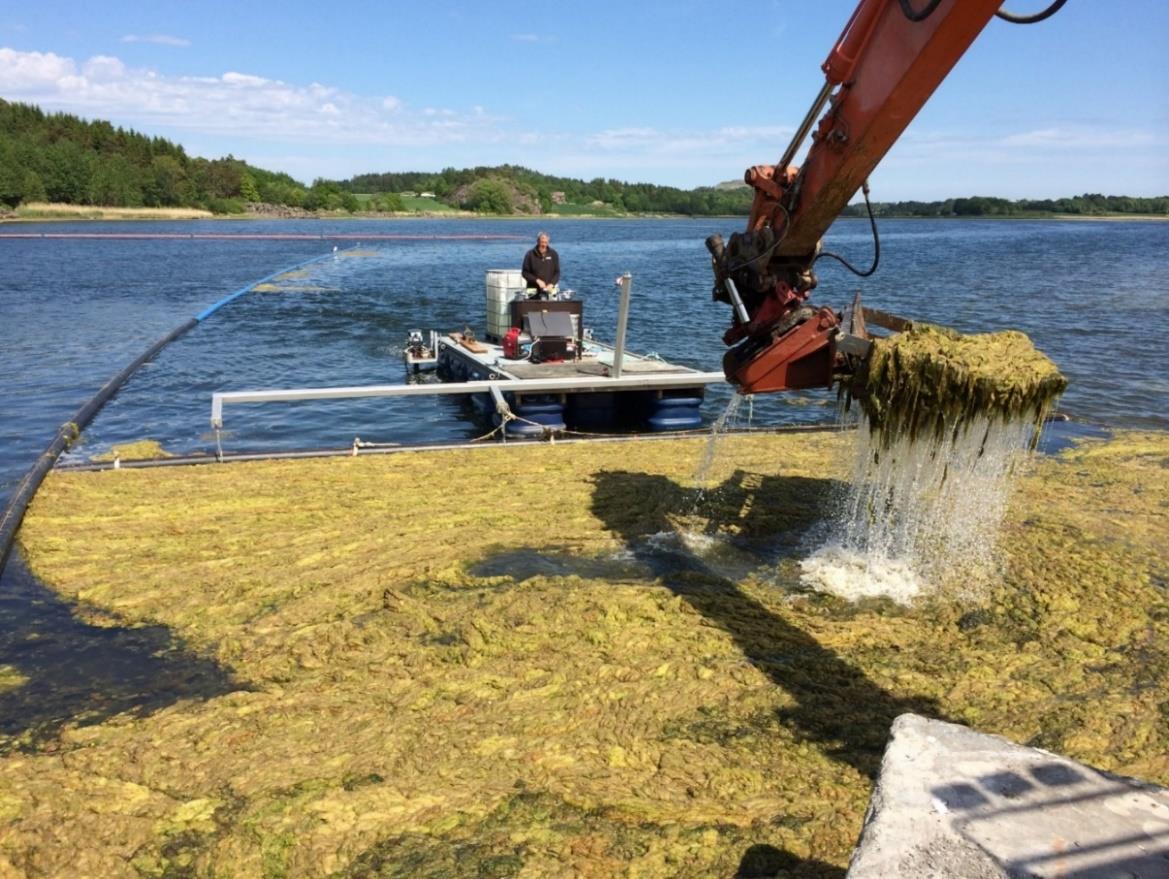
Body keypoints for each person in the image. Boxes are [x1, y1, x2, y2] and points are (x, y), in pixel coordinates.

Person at [521, 232, 560, 298]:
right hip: (532, 290)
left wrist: (552, 284)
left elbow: (557, 272)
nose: (544, 245)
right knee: (532, 307)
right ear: (538, 241)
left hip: (550, 289)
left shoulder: (553, 254)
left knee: (552, 307)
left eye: (546, 242)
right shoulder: (530, 254)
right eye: (542, 242)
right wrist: (537, 280)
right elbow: (525, 273)